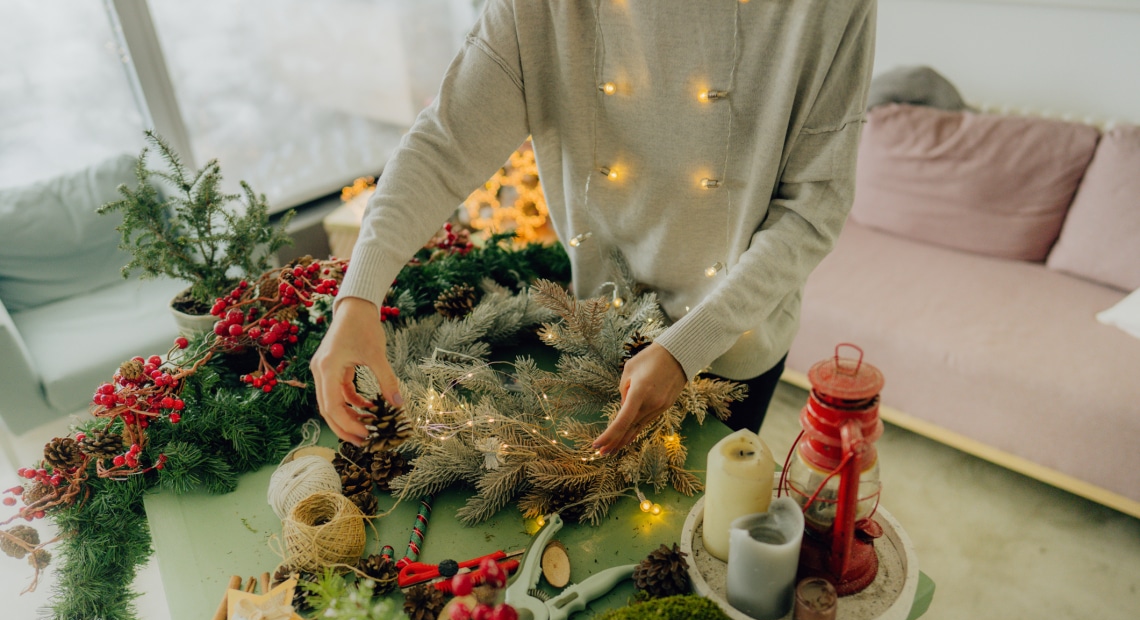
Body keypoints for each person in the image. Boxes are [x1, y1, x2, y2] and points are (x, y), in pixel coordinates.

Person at [312, 0, 877, 456]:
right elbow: (445, 143)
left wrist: (690, 345)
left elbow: (813, 205)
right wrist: (358, 298)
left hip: (736, 340)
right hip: (599, 323)